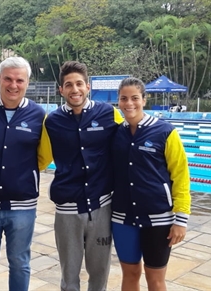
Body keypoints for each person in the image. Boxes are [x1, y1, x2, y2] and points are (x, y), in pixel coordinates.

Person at [0, 56, 52, 291]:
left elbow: (44, 156)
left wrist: (22, 174)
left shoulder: (38, 115)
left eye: (19, 80)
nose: (13, 85)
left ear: (27, 82)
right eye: (8, 79)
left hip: (22, 206)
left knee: (20, 263)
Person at [44, 61, 123, 291]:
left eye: (79, 84)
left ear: (88, 86)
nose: (74, 89)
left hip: (101, 206)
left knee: (99, 273)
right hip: (68, 208)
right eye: (68, 85)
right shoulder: (53, 121)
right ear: (61, 90)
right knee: (69, 276)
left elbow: (127, 142)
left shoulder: (108, 113)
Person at [111, 77, 191, 291]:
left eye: (135, 98)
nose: (129, 103)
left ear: (144, 100)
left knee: (155, 279)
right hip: (123, 218)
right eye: (124, 99)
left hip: (159, 220)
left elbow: (180, 175)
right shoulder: (116, 133)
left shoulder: (164, 132)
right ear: (118, 102)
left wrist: (181, 218)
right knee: (130, 274)